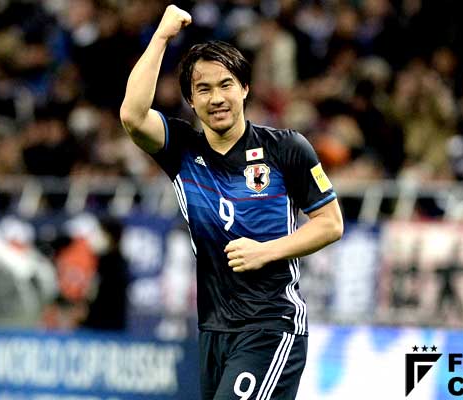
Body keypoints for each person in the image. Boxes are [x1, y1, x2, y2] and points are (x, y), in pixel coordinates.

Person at [119, 5, 343, 400]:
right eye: (203, 89)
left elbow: (331, 223)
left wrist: (265, 252)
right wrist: (162, 36)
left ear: (244, 88)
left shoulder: (286, 148)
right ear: (190, 99)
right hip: (214, 329)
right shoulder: (182, 151)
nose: (217, 98)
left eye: (226, 85)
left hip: (272, 324)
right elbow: (133, 116)